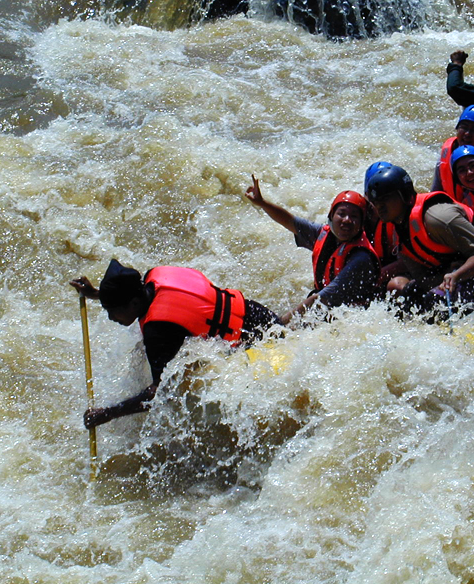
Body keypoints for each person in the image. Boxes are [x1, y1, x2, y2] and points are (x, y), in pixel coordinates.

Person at [71, 260, 280, 429]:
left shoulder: (158, 330)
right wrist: (98, 294)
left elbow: (158, 392)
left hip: (253, 341)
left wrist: (107, 413)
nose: (110, 317)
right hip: (260, 315)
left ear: (133, 303)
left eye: (112, 310)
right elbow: (143, 297)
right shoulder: (156, 276)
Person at [365, 164, 474, 315]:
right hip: (469, 271)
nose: (380, 206)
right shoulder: (399, 228)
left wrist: (457, 275)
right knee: (411, 295)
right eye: (375, 201)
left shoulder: (438, 218)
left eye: (385, 199)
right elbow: (423, 279)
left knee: (434, 303)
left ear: (405, 196)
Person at [245, 175, 379, 323]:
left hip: (352, 317)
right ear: (331, 216)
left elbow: (322, 298)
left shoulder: (360, 257)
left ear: (361, 224)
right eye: (341, 214)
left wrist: (281, 324)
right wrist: (262, 203)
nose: (346, 220)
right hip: (327, 307)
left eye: (354, 216)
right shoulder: (323, 234)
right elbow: (290, 221)